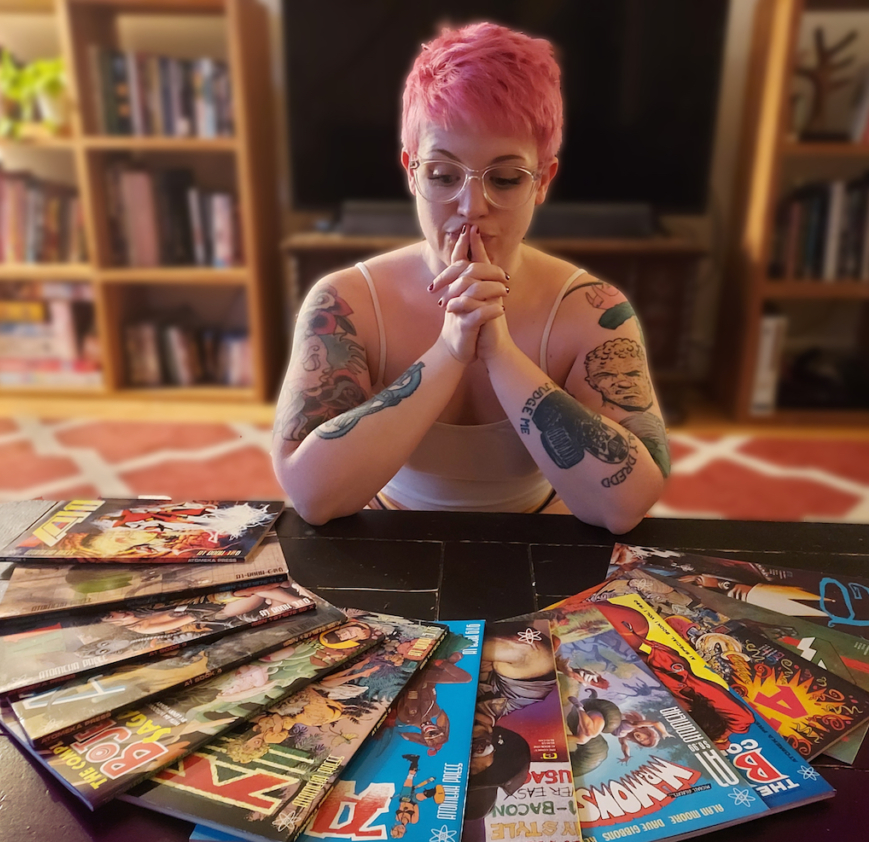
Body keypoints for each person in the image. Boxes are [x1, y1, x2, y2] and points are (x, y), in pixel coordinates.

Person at [271, 22, 668, 532]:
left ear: (542, 180)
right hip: (384, 545)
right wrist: (451, 348)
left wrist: (500, 354)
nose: (471, 207)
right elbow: (312, 497)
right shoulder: (344, 302)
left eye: (505, 179)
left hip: (540, 545)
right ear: (411, 172)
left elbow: (624, 507)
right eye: (443, 175)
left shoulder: (591, 310)